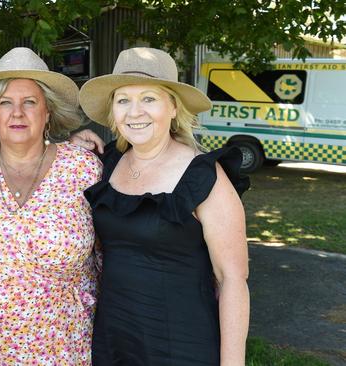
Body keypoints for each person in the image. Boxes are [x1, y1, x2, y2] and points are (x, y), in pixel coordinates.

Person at [80, 47, 250, 365]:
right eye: (123, 100)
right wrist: (70, 149)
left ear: (173, 107)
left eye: (149, 98)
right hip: (114, 339)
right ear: (113, 112)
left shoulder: (202, 175)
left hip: (182, 345)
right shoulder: (105, 164)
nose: (134, 112)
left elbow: (233, 279)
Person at [0, 47, 103, 365]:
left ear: (48, 112)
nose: (16, 113)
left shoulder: (83, 168)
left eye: (30, 102)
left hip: (64, 344)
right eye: (5, 103)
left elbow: (111, 251)